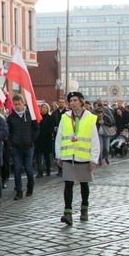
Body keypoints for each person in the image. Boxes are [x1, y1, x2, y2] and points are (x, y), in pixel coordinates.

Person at [55, 92, 100, 225]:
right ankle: (67, 213)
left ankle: (84, 209)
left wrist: (93, 159)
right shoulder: (65, 117)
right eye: (71, 101)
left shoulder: (90, 118)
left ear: (81, 102)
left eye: (75, 100)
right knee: (68, 183)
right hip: (68, 156)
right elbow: (60, 136)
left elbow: (95, 139)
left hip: (83, 156)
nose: (72, 103)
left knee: (84, 184)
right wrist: (59, 155)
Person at [6, 94, 39, 200]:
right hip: (16, 147)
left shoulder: (30, 115)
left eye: (19, 104)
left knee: (29, 169)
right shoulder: (11, 117)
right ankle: (19, 191)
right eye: (15, 104)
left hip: (28, 146)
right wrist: (12, 141)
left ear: (23, 103)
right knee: (17, 169)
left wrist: (31, 139)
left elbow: (36, 128)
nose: (17, 106)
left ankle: (30, 187)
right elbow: (9, 131)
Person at [34, 103, 55, 177]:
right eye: (43, 107)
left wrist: (48, 133)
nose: (44, 109)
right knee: (38, 155)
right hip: (38, 139)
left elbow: (51, 127)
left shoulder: (50, 118)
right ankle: (40, 171)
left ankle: (48, 169)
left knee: (47, 155)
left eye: (46, 107)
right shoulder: (38, 117)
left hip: (47, 138)